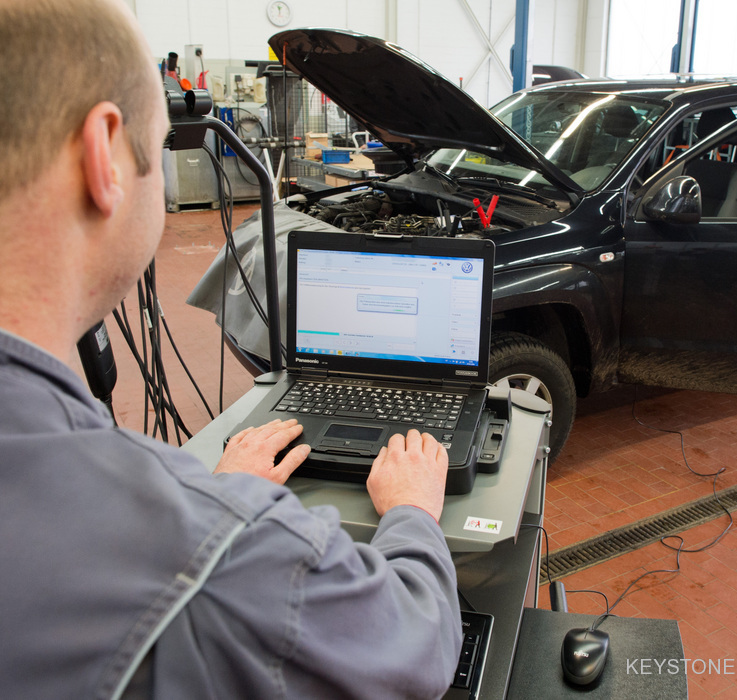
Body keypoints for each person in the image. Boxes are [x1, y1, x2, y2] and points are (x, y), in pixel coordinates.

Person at [0, 1, 461, 697]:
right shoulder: (210, 544)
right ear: (105, 158)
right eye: (157, 150)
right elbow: (416, 647)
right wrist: (412, 514)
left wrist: (225, 493)